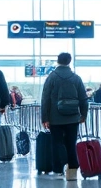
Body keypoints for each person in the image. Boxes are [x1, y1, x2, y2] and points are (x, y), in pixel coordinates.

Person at [41, 52, 88, 181]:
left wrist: (44, 118)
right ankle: (72, 170)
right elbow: (83, 98)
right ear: (69, 61)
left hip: (55, 118)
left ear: (58, 61)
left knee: (56, 143)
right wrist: (83, 114)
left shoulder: (51, 77)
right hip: (73, 118)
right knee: (71, 143)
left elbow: (45, 99)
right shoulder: (76, 78)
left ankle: (58, 170)